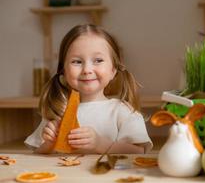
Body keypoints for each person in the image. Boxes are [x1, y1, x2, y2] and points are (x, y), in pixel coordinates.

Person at [25, 24, 153, 154]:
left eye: (98, 60)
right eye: (77, 61)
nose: (87, 70)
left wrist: (99, 144)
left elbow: (139, 151)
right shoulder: (57, 110)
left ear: (113, 70)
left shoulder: (122, 111)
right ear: (63, 70)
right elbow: (37, 156)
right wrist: (48, 144)